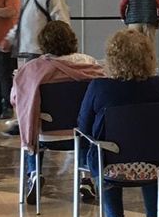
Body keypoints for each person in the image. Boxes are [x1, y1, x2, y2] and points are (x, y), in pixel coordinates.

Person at [77, 29, 159, 217]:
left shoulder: (99, 87)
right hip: (155, 164)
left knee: (104, 152)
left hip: (110, 165)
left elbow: (83, 126)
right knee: (150, 151)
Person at [12, 20, 104, 205]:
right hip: (83, 134)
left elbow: (16, 99)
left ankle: (34, 174)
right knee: (85, 119)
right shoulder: (91, 65)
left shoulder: (32, 69)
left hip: (47, 133)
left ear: (43, 43)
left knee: (30, 119)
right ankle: (85, 179)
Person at [14, 0, 70, 64]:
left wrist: (63, 45)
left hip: (43, 50)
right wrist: (10, 39)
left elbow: (61, 18)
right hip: (33, 49)